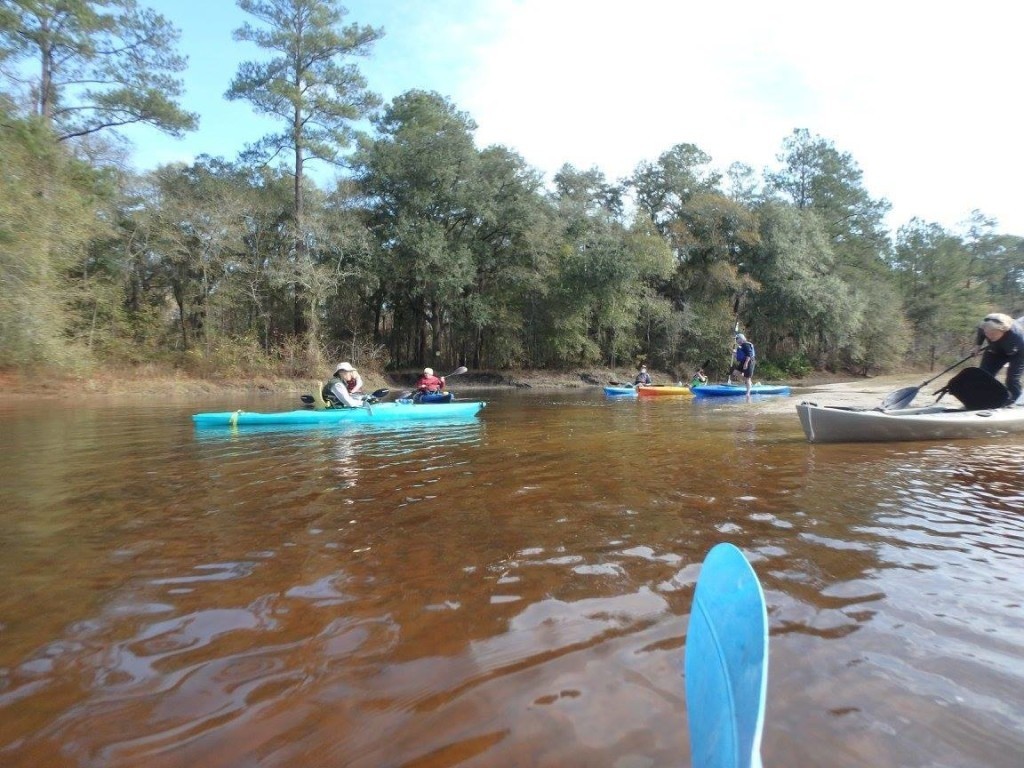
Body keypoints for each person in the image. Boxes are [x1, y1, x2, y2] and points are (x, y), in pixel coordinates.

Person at [974, 313, 1024, 405]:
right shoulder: (985, 326)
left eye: (993, 334)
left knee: (1012, 381)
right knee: (983, 376)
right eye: (987, 333)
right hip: (995, 351)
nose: (989, 336)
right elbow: (981, 332)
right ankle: (979, 400)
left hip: (1018, 354)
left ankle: (1017, 403)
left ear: (1002, 331)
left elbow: (1019, 354)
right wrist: (978, 346)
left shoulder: (1017, 336)